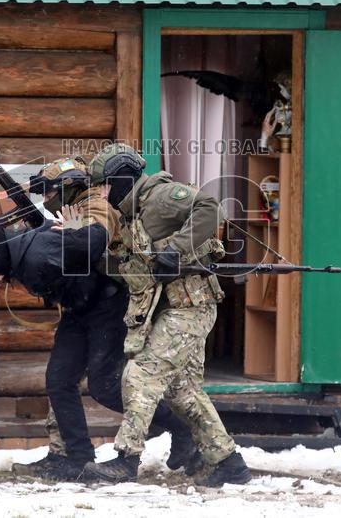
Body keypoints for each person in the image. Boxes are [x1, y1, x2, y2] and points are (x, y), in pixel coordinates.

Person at [0, 156, 197, 481]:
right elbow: (47, 246)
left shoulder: (94, 204)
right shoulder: (65, 216)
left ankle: (182, 428)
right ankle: (77, 457)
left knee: (106, 387)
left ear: (66, 187)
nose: (45, 200)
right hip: (80, 309)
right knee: (59, 380)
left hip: (107, 307)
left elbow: (93, 237)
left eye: (48, 192)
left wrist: (66, 235)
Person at [81, 143, 252, 487]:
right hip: (173, 309)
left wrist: (175, 248)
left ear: (120, 180)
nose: (100, 193)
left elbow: (208, 206)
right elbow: (134, 270)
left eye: (103, 186)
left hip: (191, 306)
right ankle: (229, 461)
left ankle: (126, 459)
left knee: (140, 375)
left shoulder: (159, 198)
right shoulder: (131, 215)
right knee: (183, 393)